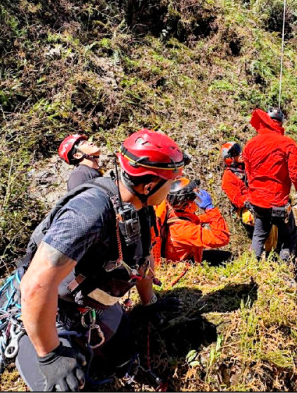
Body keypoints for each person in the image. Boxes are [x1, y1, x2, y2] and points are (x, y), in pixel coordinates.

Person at [14, 129, 188, 391]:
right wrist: (49, 354)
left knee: (126, 351)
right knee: (67, 386)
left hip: (94, 306)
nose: (172, 187)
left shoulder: (140, 208)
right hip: (54, 310)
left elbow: (141, 263)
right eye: (170, 181)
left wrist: (150, 303)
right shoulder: (89, 212)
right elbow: (36, 285)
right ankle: (35, 345)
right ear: (149, 185)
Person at [243, 108, 297, 261]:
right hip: (278, 201)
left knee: (259, 234)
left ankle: (251, 270)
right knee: (288, 235)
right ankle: (285, 269)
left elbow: (248, 174)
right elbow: (296, 174)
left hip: (257, 200)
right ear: (281, 123)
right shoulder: (288, 144)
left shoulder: (250, 145)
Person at [154, 178, 230, 265]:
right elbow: (222, 238)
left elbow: (192, 220)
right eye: (195, 198)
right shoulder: (184, 230)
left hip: (188, 256)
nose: (197, 200)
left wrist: (210, 216)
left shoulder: (173, 211)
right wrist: (209, 208)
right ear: (187, 204)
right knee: (227, 257)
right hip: (186, 266)